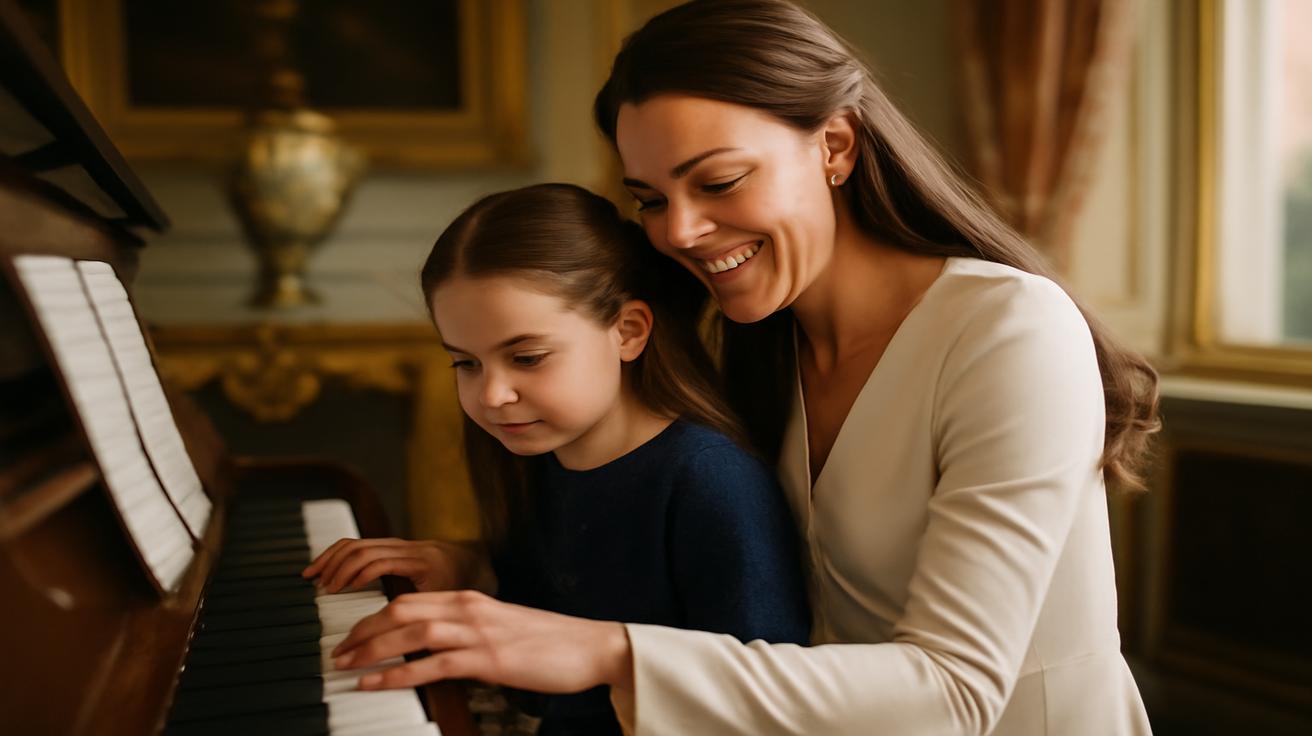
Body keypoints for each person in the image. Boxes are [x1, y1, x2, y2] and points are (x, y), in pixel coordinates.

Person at [328, 1, 1160, 734]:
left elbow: (953, 695)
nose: (680, 232)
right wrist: (477, 572)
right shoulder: (747, 337)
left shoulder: (1008, 330)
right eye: (651, 199)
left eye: (718, 181)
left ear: (834, 145)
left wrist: (600, 652)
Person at [303, 182, 810, 735]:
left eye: (527, 357)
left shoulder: (709, 480)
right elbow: (554, 601)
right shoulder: (541, 451)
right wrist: (470, 567)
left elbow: (763, 695)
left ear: (628, 331)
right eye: (465, 364)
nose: (492, 394)